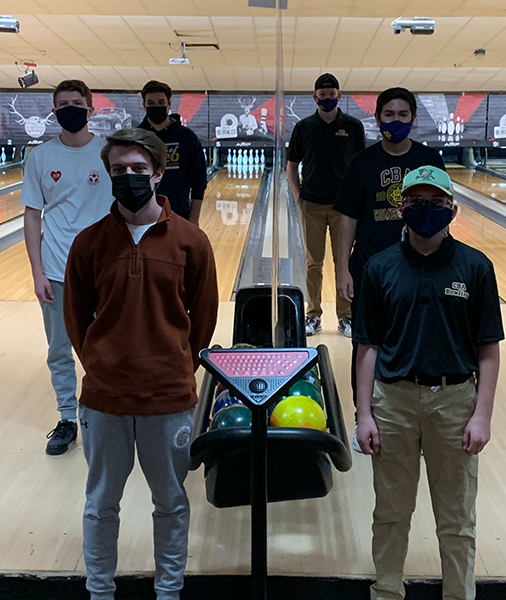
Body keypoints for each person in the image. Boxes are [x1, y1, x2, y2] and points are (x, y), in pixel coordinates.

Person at [63, 128, 219, 600]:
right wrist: (100, 363)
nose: (128, 178)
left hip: (168, 399)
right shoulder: (89, 244)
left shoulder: (191, 242)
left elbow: (204, 320)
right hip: (104, 399)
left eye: (137, 169)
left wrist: (175, 368)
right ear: (108, 175)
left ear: (156, 173)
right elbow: (76, 319)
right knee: (100, 505)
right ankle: (100, 592)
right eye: (118, 170)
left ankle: (168, 593)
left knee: (170, 503)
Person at [354, 166, 503, 600]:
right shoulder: (380, 268)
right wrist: (364, 415)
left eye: (436, 203)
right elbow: (368, 347)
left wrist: (482, 414)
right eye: (417, 202)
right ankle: (386, 593)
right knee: (391, 514)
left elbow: (488, 349)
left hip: (455, 402)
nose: (426, 211)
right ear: (400, 208)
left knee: (457, 519)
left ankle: (460, 595)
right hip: (393, 401)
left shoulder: (475, 267)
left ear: (453, 210)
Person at [333, 87, 446, 448]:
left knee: (422, 337)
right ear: (377, 118)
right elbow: (346, 218)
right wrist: (342, 269)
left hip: (422, 267)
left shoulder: (430, 160)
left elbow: (443, 215)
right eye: (388, 115)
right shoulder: (362, 163)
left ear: (413, 118)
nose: (395, 121)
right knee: (367, 343)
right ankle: (362, 418)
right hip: (369, 268)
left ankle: (421, 419)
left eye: (402, 115)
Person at [21, 79, 113, 455]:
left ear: (90, 109)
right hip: (57, 270)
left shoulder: (109, 152)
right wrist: (37, 271)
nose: (70, 108)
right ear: (54, 110)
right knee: (59, 348)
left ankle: (106, 411)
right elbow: (31, 216)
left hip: (106, 269)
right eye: (63, 104)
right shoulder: (40, 157)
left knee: (107, 346)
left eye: (77, 102)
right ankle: (66, 418)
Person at [286, 73, 365, 337]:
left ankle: (346, 316)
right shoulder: (304, 127)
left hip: (344, 208)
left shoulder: (353, 126)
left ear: (339, 96)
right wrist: (298, 196)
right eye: (323, 94)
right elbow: (292, 166)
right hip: (312, 205)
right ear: (315, 97)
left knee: (344, 262)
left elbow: (359, 167)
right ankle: (313, 315)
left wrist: (358, 201)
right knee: (313, 263)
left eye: (332, 94)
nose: (327, 98)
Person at [138, 80, 207, 226]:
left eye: (161, 102)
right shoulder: (136, 137)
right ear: (144, 105)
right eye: (151, 103)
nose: (156, 107)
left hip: (179, 215)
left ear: (169, 104)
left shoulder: (187, 137)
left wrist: (194, 218)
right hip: (141, 217)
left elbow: (198, 182)